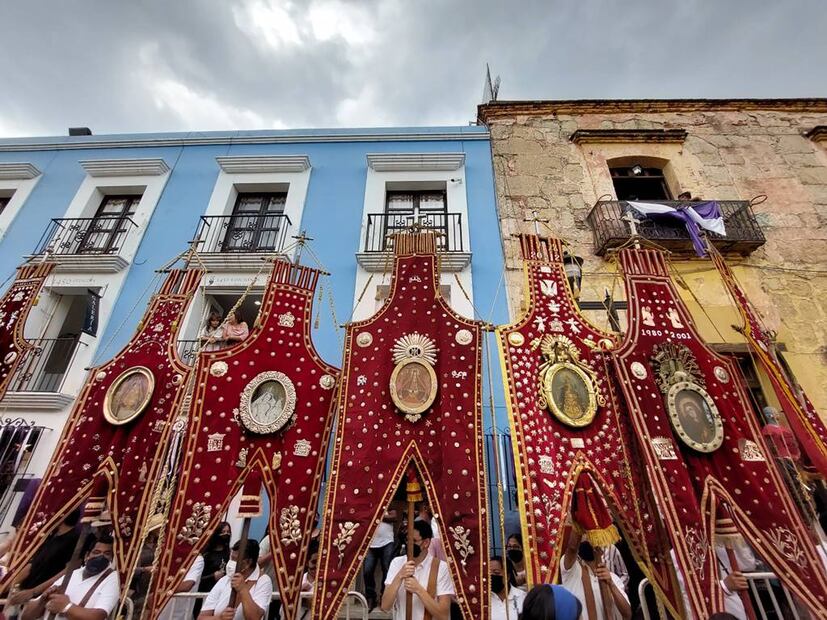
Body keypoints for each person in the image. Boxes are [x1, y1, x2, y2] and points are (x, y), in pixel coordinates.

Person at [21, 534, 119, 620]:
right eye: (96, 552)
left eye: (107, 554)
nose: (101, 557)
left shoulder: (112, 578)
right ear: (87, 556)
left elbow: (98, 616)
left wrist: (66, 607)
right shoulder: (73, 574)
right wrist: (42, 600)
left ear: (111, 558)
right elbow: (26, 617)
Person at [8, 508, 82, 608]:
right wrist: (10, 584)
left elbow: (67, 571)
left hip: (42, 600)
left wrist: (33, 592)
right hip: (24, 594)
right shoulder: (50, 535)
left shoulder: (76, 540)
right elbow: (33, 564)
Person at [381, 520, 454, 620]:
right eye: (407, 540)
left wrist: (418, 590)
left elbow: (443, 615)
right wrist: (399, 576)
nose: (409, 545)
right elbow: (385, 606)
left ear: (426, 543)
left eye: (414, 541)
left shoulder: (441, 568)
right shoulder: (397, 563)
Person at [560, 531, 631, 620]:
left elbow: (627, 614)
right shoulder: (571, 571)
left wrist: (611, 584)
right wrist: (578, 522)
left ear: (601, 550)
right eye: (585, 535)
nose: (587, 539)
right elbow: (572, 548)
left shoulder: (613, 578)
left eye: (591, 537)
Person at [198, 539, 272, 620]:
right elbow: (202, 617)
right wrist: (219, 618)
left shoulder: (263, 581)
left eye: (235, 559)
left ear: (248, 562)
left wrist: (243, 589)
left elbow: (254, 617)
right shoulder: (225, 580)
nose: (231, 562)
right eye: (231, 558)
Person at [363, 505, 398, 610]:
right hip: (370, 543)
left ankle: (384, 595)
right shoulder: (368, 504)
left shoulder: (388, 502)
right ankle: (371, 598)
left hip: (387, 542)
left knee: (387, 569)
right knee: (367, 571)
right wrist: (381, 515)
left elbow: (394, 517)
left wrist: (376, 514)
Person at [195, 522, 232, 617]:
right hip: (203, 594)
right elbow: (197, 578)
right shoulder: (206, 554)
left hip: (220, 594)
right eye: (223, 532)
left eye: (228, 532)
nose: (226, 534)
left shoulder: (229, 553)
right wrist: (212, 576)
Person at [158, 554, 205, 620]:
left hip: (179, 615)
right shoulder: (167, 555)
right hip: (160, 614)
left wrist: (162, 591)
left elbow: (187, 585)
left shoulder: (196, 558)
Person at [281, 540, 318, 620]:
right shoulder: (295, 581)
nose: (317, 566)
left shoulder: (325, 584)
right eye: (314, 562)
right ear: (307, 563)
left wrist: (304, 598)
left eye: (320, 562)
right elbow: (284, 608)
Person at [489, 555, 526, 620]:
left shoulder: (522, 597)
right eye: (488, 573)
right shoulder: (483, 599)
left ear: (508, 576)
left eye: (496, 572)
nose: (492, 576)